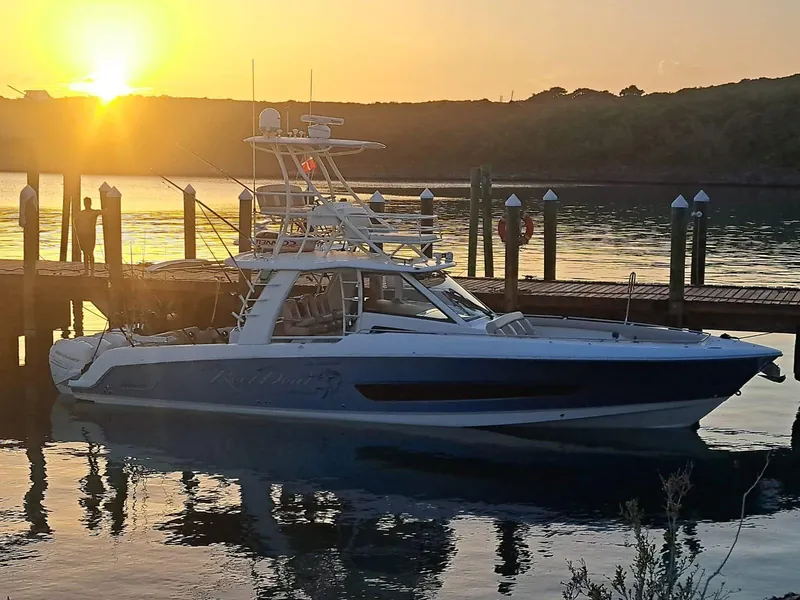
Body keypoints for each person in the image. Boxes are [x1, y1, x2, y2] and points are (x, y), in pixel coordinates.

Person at [74, 197, 103, 276]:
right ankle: (86, 271)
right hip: (83, 235)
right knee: (85, 253)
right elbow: (75, 221)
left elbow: (102, 212)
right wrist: (77, 231)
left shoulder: (94, 212)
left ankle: (92, 272)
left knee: (90, 253)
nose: (86, 205)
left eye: (87, 203)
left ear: (90, 203)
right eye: (85, 203)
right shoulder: (81, 213)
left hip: (90, 235)